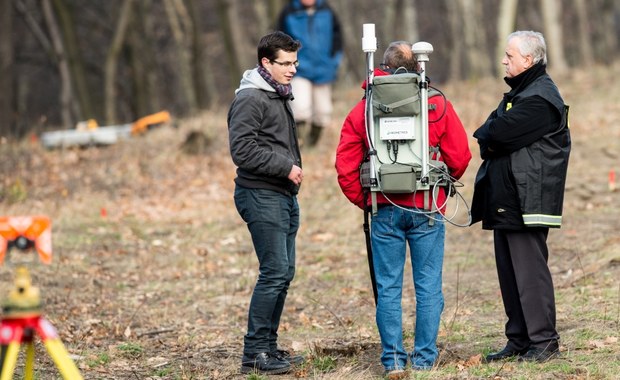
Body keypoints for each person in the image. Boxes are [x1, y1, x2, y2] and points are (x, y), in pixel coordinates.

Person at [335, 41, 471, 378]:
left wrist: (366, 200)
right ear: (417, 67)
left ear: (382, 67)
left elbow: (345, 165)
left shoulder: (364, 108)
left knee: (389, 287)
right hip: (426, 206)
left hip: (384, 208)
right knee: (428, 286)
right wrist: (442, 186)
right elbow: (461, 155)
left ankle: (393, 360)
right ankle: (424, 358)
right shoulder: (436, 103)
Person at [470, 30, 571, 363]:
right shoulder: (521, 92)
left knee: (529, 272)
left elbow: (495, 132)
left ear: (528, 59)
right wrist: (492, 136)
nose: (504, 60)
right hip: (508, 196)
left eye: (509, 55)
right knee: (509, 272)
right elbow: (487, 135)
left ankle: (543, 342)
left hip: (527, 200)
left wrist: (492, 135)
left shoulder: (541, 99)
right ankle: (519, 340)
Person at [227, 31, 305, 375]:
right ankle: (254, 352)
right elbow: (241, 150)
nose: (292, 70)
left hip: (281, 194)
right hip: (260, 194)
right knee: (274, 272)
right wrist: (285, 167)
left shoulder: (277, 94)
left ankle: (269, 347)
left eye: (294, 63)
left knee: (284, 272)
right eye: (284, 63)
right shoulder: (251, 98)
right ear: (265, 63)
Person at [277, 0, 343, 147]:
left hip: (324, 69)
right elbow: (278, 40)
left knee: (323, 112)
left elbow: (338, 38)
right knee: (300, 108)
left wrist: (334, 62)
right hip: (298, 69)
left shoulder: (327, 10)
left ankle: (311, 145)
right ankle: (297, 145)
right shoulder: (288, 11)